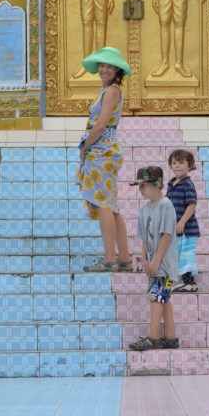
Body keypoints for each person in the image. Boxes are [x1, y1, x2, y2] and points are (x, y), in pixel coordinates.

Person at [77, 46, 132, 272]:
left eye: (109, 66)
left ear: (117, 70)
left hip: (101, 149)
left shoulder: (112, 92)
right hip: (103, 149)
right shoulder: (107, 90)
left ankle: (110, 258)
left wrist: (85, 146)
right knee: (110, 205)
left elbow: (100, 124)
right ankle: (125, 258)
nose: (104, 70)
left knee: (103, 204)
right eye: (102, 65)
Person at [129, 166, 179, 351]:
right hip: (152, 262)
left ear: (155, 185)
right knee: (163, 298)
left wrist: (156, 260)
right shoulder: (144, 209)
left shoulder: (165, 205)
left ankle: (153, 337)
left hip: (163, 262)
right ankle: (171, 337)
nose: (140, 190)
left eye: (143, 186)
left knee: (156, 297)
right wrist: (144, 259)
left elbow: (166, 235)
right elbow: (143, 237)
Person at [166, 149, 200, 293]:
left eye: (181, 163)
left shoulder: (187, 184)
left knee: (186, 255)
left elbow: (192, 204)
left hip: (186, 229)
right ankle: (175, 281)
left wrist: (182, 222)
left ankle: (189, 282)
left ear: (190, 165)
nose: (177, 166)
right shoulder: (171, 184)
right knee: (176, 254)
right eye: (174, 163)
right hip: (175, 230)